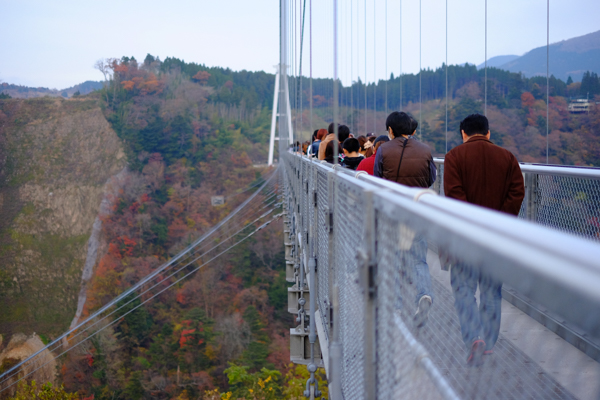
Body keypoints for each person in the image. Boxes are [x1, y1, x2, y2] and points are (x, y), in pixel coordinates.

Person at [444, 113, 525, 367]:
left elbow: (454, 195)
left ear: (463, 133)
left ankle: (474, 338)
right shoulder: (508, 157)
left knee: (464, 288)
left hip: (464, 238)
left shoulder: (454, 157)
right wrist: (498, 222)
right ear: (488, 133)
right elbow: (517, 192)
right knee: (491, 291)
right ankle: (488, 343)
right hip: (496, 238)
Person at [374, 111, 436, 328]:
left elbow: (377, 178)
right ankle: (424, 295)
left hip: (392, 213)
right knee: (419, 260)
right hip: (416, 212)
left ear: (390, 130)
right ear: (412, 129)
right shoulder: (425, 150)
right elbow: (431, 179)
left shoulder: (383, 150)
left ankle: (396, 306)